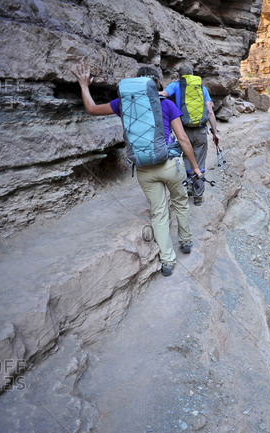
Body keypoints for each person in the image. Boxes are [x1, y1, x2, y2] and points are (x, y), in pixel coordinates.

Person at [71, 61, 203, 277]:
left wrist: (84, 85)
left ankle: (168, 262)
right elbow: (183, 139)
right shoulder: (166, 104)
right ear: (156, 85)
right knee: (180, 202)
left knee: (159, 213)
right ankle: (186, 241)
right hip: (170, 165)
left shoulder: (124, 104)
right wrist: (195, 168)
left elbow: (92, 109)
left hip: (144, 169)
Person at [161, 65, 220, 206]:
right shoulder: (201, 88)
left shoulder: (175, 86)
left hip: (184, 130)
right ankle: (198, 196)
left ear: (179, 76)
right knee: (199, 162)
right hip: (200, 131)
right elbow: (210, 111)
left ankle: (188, 187)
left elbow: (162, 95)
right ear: (192, 75)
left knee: (187, 157)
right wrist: (215, 133)